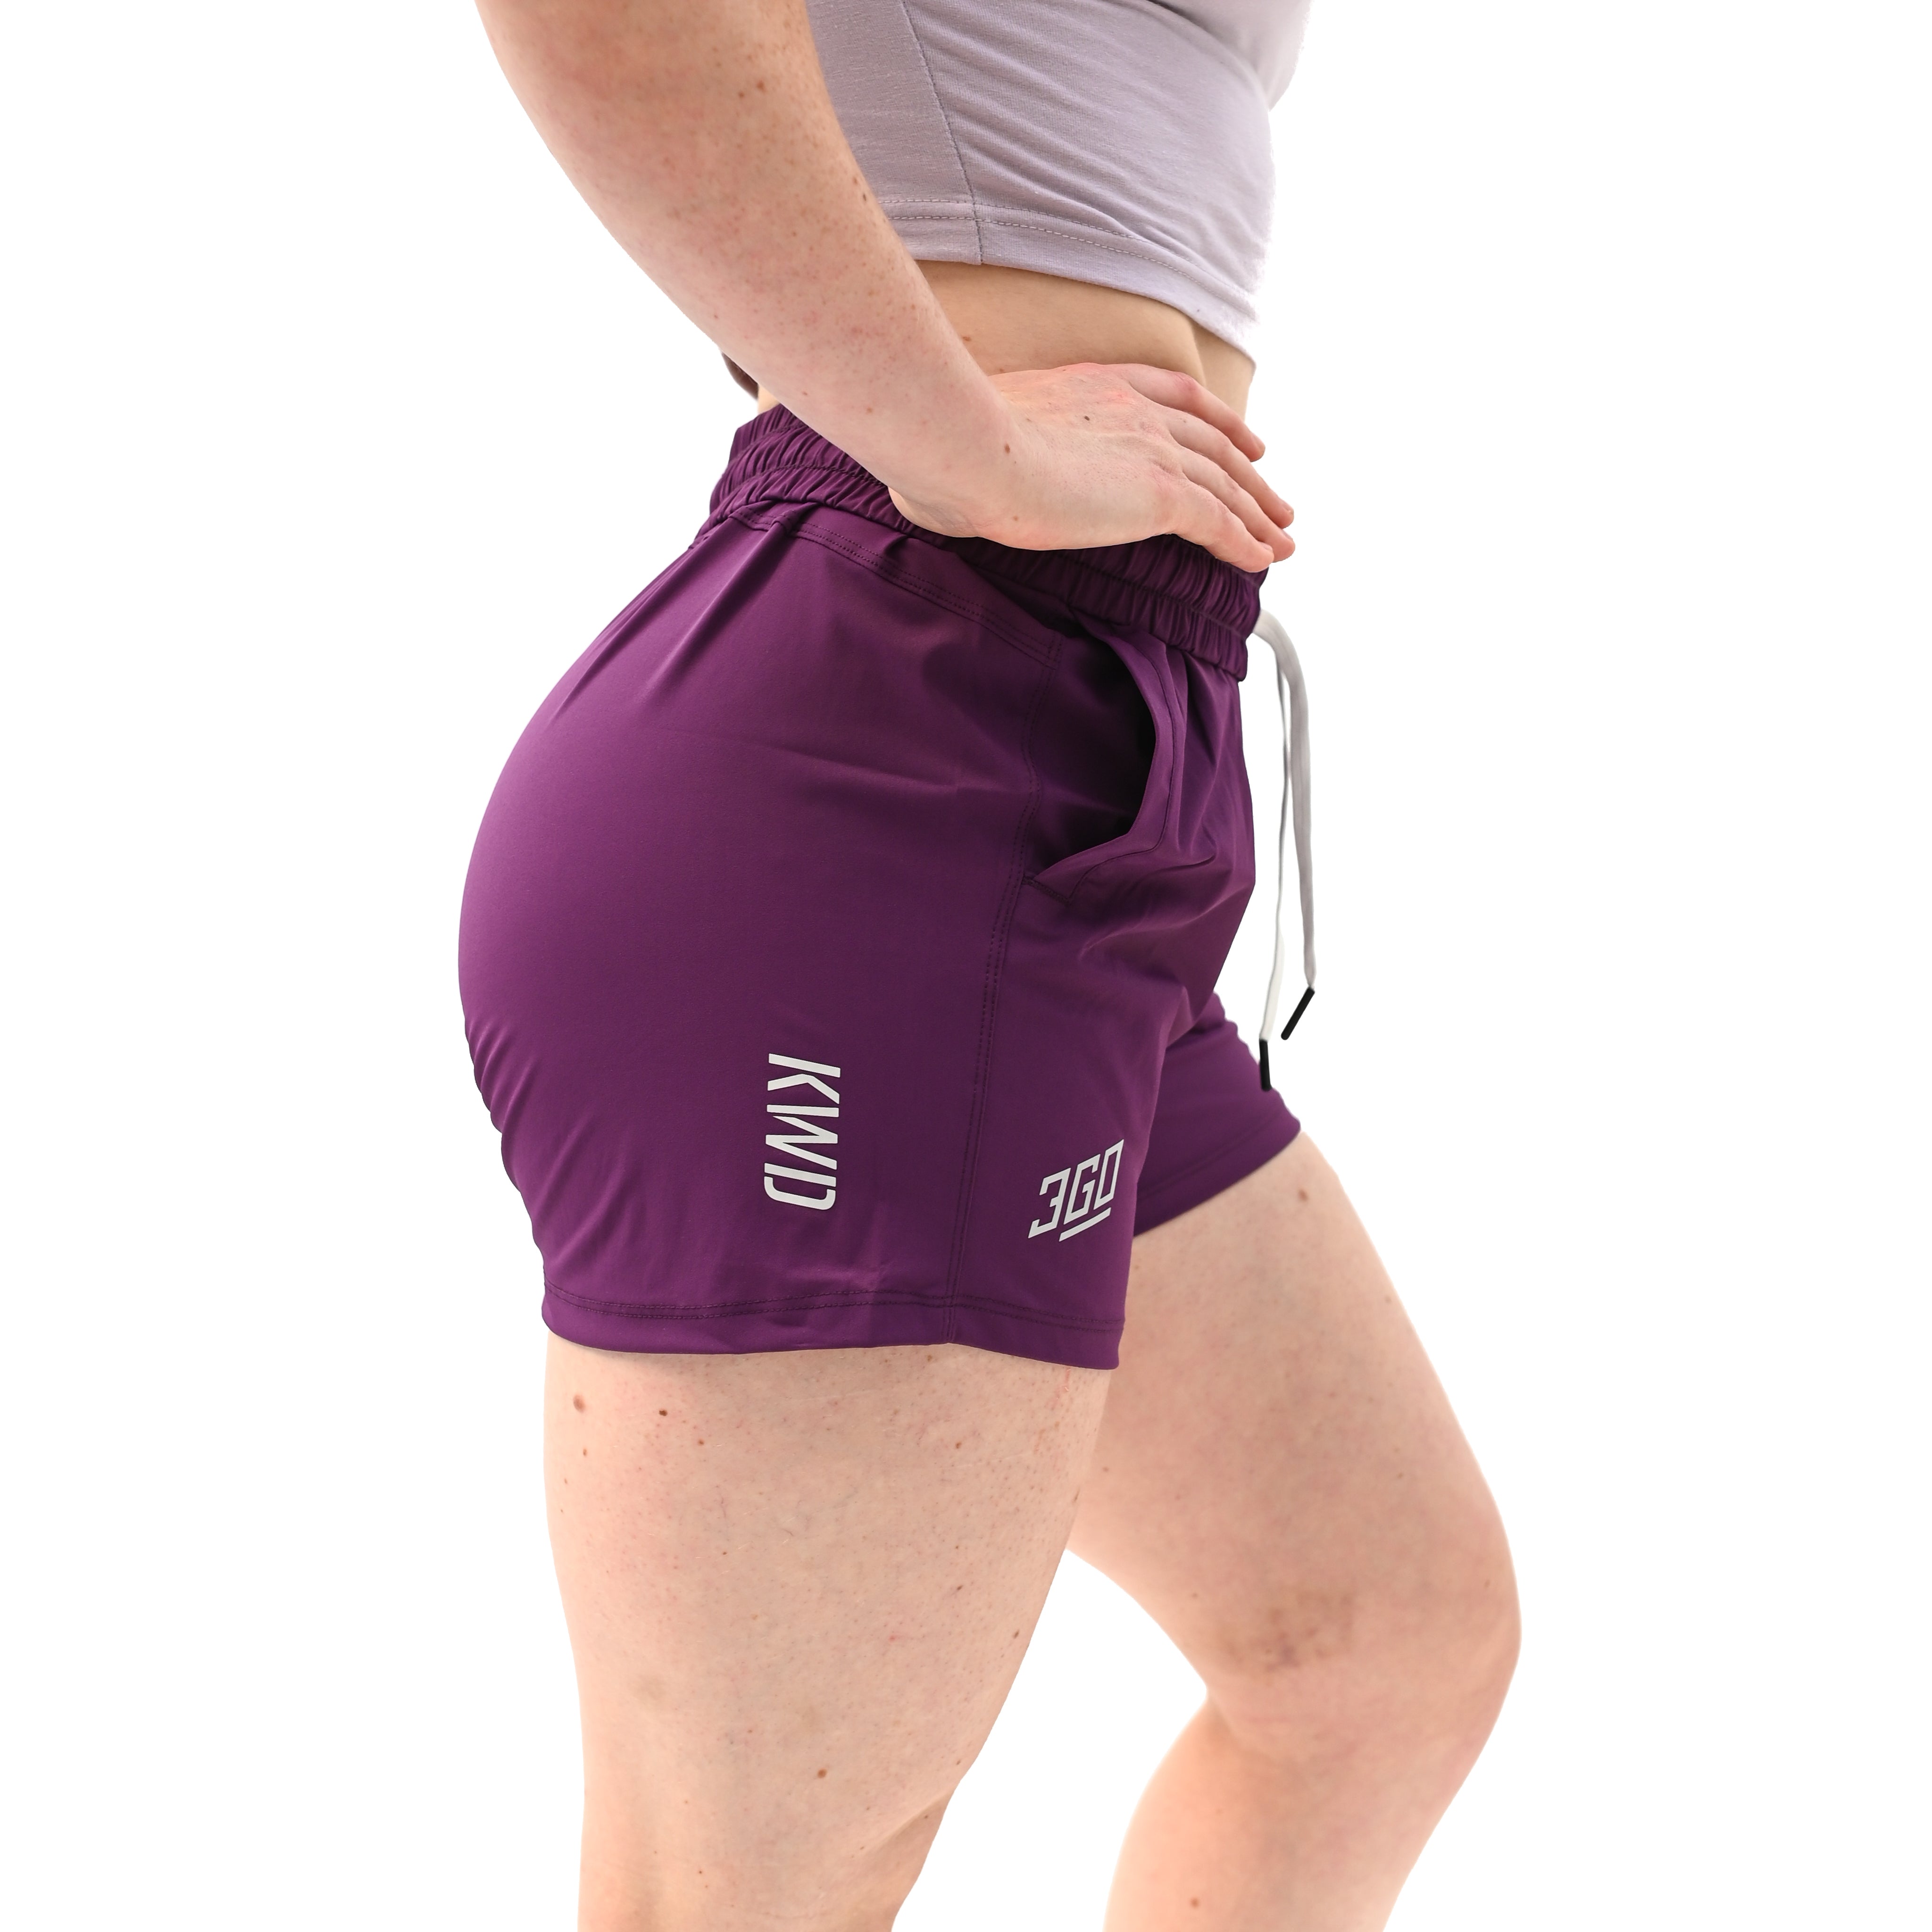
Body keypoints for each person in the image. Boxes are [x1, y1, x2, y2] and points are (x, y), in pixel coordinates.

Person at [458, 2, 1519, 1925]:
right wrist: (972, 443)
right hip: (893, 766)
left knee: (1373, 1642)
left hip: (1089, 773)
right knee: (749, 1888)